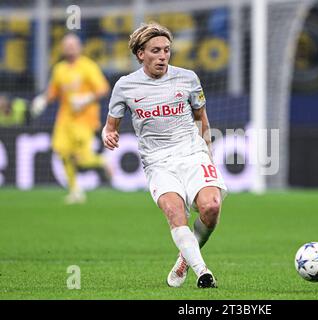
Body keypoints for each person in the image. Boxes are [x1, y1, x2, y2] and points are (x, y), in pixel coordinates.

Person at [102, 22, 227, 288]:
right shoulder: (125, 86)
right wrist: (108, 135)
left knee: (211, 207)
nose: (162, 56)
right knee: (175, 212)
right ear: (140, 54)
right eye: (155, 50)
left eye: (167, 50)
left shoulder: (188, 78)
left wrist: (208, 154)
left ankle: (184, 258)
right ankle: (203, 272)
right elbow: (110, 127)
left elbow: (201, 117)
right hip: (158, 161)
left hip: (192, 153)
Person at [31, 33, 111, 204]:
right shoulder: (60, 68)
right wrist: (42, 100)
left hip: (84, 120)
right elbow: (54, 91)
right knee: (62, 152)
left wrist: (86, 99)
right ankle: (75, 191)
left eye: (73, 45)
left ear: (79, 47)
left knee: (82, 158)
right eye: (67, 46)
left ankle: (102, 161)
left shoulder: (88, 66)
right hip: (65, 119)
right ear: (62, 48)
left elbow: (103, 88)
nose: (70, 49)